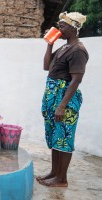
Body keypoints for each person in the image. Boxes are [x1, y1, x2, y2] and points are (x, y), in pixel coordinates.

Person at [37, 11, 88, 187]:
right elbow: (46, 66)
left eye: (63, 25)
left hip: (65, 99)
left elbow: (76, 80)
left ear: (74, 28)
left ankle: (62, 179)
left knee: (64, 137)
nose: (59, 27)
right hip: (54, 97)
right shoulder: (65, 47)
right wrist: (50, 44)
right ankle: (54, 172)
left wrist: (62, 106)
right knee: (55, 135)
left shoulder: (78, 50)